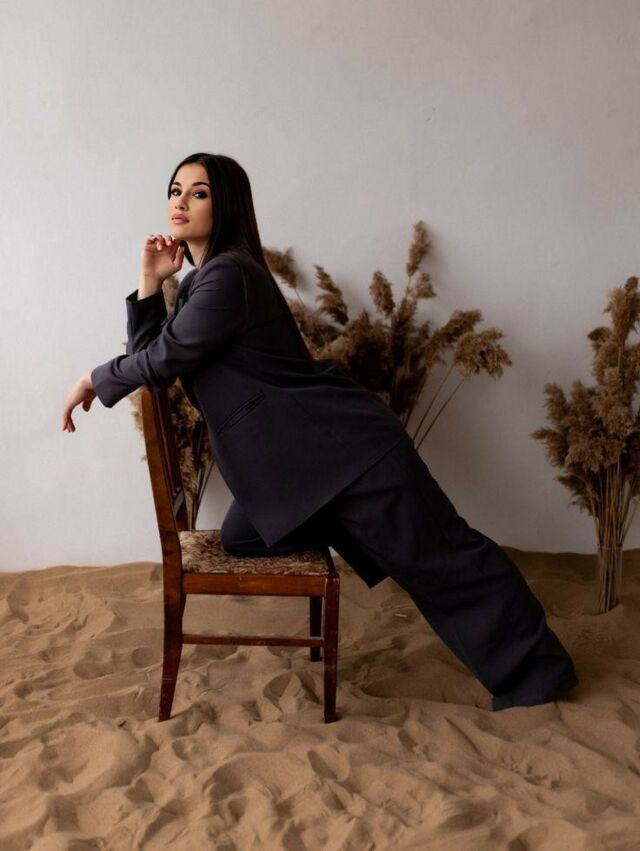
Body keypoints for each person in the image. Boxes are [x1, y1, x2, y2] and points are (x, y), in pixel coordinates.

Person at [62, 152, 579, 711]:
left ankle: (540, 675)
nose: (180, 201)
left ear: (225, 204)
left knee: (442, 559)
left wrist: (93, 378)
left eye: (199, 192)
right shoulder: (199, 284)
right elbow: (156, 361)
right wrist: (149, 281)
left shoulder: (230, 276)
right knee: (242, 536)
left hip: (347, 453)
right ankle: (340, 519)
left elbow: (161, 359)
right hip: (301, 470)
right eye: (175, 190)